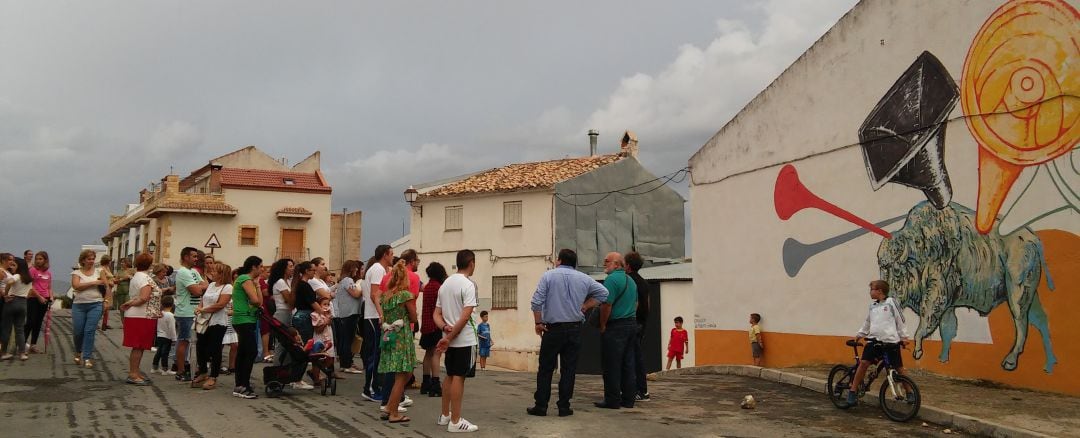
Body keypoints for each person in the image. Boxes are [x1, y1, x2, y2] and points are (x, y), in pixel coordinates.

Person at [526, 249, 607, 417]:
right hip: (575, 329)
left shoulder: (548, 276)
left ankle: (541, 406)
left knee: (546, 368)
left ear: (560, 260)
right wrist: (585, 305)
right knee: (569, 369)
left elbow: (536, 302)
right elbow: (604, 293)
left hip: (552, 329)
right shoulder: (584, 278)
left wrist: (538, 322)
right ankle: (564, 406)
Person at [433, 249, 481, 432]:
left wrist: (445, 329)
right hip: (464, 339)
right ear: (471, 263)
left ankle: (445, 415)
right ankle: (455, 420)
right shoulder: (469, 285)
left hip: (449, 338)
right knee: (459, 378)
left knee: (450, 375)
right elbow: (466, 314)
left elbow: (436, 314)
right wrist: (451, 335)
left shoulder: (445, 284)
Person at [846, 280, 909, 407]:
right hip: (874, 341)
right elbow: (867, 322)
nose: (870, 292)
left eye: (872, 289)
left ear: (879, 291)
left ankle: (910, 392)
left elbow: (900, 319)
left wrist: (904, 337)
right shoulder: (872, 306)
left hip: (890, 341)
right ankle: (852, 391)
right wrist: (860, 334)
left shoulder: (891, 303)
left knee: (899, 368)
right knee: (863, 364)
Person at [377, 249, 420, 409]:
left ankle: (388, 403)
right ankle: (392, 407)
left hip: (389, 334)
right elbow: (414, 317)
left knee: (391, 369)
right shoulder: (405, 295)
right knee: (403, 373)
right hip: (402, 335)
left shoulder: (386, 296)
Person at [595, 252, 638, 409]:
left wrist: (603, 325)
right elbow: (636, 303)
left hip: (616, 326)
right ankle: (628, 400)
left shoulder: (611, 280)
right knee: (628, 363)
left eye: (607, 261)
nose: (604, 264)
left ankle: (612, 400)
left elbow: (606, 305)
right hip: (631, 324)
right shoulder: (631, 280)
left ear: (617, 264)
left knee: (611, 364)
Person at [360, 245, 393, 402]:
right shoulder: (378, 269)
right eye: (391, 254)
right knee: (375, 354)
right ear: (385, 255)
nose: (393, 257)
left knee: (377, 354)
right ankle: (371, 388)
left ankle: (373, 387)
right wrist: (382, 314)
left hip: (374, 315)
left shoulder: (377, 269)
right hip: (374, 316)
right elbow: (375, 294)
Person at [119, 253, 158, 384]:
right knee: (138, 346)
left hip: (141, 314)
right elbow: (144, 297)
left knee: (139, 346)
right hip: (141, 315)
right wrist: (130, 303)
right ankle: (133, 373)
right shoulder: (144, 278)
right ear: (150, 264)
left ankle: (135, 371)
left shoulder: (138, 276)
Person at [194, 262, 233, 391]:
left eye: (215, 271)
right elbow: (202, 300)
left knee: (215, 349)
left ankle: (213, 376)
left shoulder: (227, 287)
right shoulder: (210, 285)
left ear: (222, 274)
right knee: (200, 346)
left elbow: (221, 305)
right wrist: (199, 308)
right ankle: (203, 371)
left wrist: (203, 309)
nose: (212, 272)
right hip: (204, 320)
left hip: (218, 321)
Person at [71, 250, 111, 368]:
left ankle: (87, 357)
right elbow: (76, 286)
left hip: (96, 304)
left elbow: (106, 286)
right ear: (83, 260)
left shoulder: (100, 271)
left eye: (93, 259)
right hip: (79, 305)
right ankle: (78, 351)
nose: (91, 261)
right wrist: (94, 282)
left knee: (89, 331)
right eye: (89, 259)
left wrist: (107, 301)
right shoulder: (76, 273)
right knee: (78, 332)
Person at [231, 256, 263, 399]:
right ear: (254, 267)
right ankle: (243, 385)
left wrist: (257, 285)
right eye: (260, 266)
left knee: (244, 351)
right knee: (250, 351)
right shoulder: (244, 279)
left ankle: (240, 384)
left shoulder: (248, 280)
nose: (262, 269)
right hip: (243, 317)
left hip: (246, 318)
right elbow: (256, 301)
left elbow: (260, 302)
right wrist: (255, 287)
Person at [174, 247, 208, 382]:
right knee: (184, 340)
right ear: (186, 257)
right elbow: (197, 291)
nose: (196, 259)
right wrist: (201, 288)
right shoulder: (183, 272)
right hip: (185, 312)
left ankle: (192, 367)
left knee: (195, 342)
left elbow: (206, 285)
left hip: (195, 311)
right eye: (193, 256)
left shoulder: (193, 272)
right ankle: (180, 370)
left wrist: (201, 287)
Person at [624, 251, 651, 401]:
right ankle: (641, 390)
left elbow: (634, 304)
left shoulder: (628, 281)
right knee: (637, 356)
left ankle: (638, 390)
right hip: (642, 323)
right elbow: (647, 305)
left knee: (631, 358)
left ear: (627, 265)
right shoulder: (644, 282)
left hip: (631, 323)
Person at [420, 262, 448, 397]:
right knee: (437, 354)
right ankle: (435, 383)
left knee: (428, 354)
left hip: (425, 325)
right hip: (435, 325)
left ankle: (425, 382)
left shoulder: (427, 287)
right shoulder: (439, 287)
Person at [291, 261, 321, 387]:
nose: (314, 272)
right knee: (305, 347)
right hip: (305, 317)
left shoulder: (299, 285)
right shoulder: (305, 286)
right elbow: (313, 303)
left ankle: (296, 377)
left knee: (301, 346)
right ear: (307, 271)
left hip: (299, 315)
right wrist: (323, 313)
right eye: (313, 270)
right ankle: (297, 379)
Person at [333, 260, 364, 374]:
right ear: (350, 269)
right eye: (355, 268)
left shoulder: (343, 281)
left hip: (346, 313)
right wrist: (361, 285)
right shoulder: (348, 280)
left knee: (346, 339)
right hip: (349, 313)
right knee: (347, 340)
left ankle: (346, 363)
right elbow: (355, 294)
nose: (356, 270)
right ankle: (346, 364)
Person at [1, 258, 34, 360]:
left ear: (19, 267)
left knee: (6, 329)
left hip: (11, 302)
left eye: (14, 265)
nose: (12, 267)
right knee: (20, 330)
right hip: (23, 303)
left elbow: (10, 282)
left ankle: (3, 353)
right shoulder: (29, 278)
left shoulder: (17, 276)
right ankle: (22, 353)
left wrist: (6, 294)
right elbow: (30, 292)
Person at [268, 258, 298, 368]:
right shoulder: (280, 282)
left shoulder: (287, 281)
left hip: (288, 313)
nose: (292, 268)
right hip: (282, 313)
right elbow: (289, 300)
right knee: (281, 344)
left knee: (288, 343)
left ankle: (285, 367)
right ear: (283, 268)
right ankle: (277, 368)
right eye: (290, 266)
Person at [26, 251, 52, 354]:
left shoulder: (48, 273)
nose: (38, 261)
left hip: (44, 299)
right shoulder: (32, 270)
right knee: (30, 321)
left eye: (40, 259)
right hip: (33, 298)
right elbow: (30, 286)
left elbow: (49, 287)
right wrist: (39, 296)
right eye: (36, 259)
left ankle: (33, 345)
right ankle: (22, 344)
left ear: (45, 260)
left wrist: (51, 297)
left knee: (38, 322)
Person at [153, 296, 177, 375]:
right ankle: (165, 369)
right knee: (165, 353)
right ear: (172, 304)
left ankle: (154, 367)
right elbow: (172, 328)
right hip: (167, 336)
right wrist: (174, 338)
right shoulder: (171, 315)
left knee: (159, 352)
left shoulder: (160, 314)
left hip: (160, 335)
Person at [108, 257, 134, 331]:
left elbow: (134, 278)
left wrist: (129, 277)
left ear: (127, 263)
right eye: (121, 262)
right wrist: (122, 279)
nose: (121, 263)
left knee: (128, 307)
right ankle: (124, 324)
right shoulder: (119, 271)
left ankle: (129, 322)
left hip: (129, 292)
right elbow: (114, 280)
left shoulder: (132, 270)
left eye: (123, 262)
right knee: (121, 308)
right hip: (120, 291)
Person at [97, 255, 116, 331]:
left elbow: (111, 277)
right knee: (103, 307)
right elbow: (100, 279)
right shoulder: (101, 269)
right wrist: (109, 283)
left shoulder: (107, 268)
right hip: (104, 289)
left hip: (109, 290)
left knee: (107, 307)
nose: (111, 262)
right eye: (110, 261)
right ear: (107, 261)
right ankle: (94, 322)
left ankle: (104, 324)